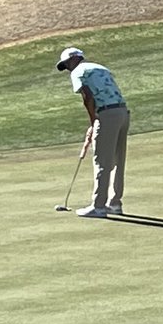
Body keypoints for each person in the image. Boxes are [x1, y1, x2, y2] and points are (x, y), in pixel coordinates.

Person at [55, 46, 130, 218]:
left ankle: (99, 207)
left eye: (67, 64)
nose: (67, 68)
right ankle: (114, 203)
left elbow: (87, 97)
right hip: (122, 112)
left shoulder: (78, 72)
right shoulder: (100, 67)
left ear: (75, 58)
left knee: (102, 161)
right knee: (118, 160)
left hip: (106, 114)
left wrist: (93, 121)